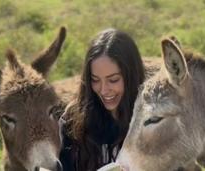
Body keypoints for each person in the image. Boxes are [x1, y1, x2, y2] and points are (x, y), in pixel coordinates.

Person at [59, 28, 146, 171]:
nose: (104, 90)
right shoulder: (73, 121)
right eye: (95, 80)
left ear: (131, 76)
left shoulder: (152, 121)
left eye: (113, 80)